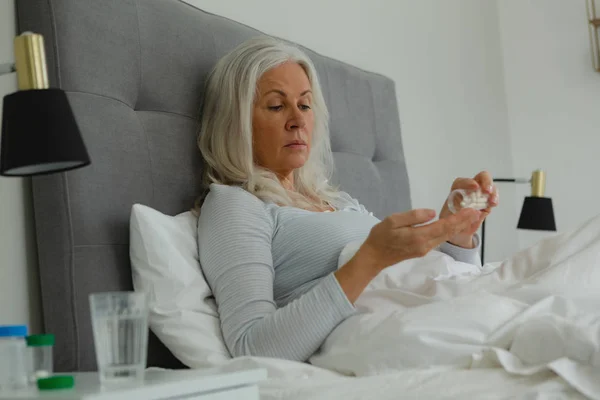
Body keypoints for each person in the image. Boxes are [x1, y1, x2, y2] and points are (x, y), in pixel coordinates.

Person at [196, 36, 499, 363]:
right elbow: (251, 346)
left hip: (437, 314)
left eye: (305, 104)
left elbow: (428, 283)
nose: (298, 119)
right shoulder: (235, 204)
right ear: (236, 121)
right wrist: (370, 259)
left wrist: (456, 231)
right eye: (276, 105)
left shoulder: (338, 200)